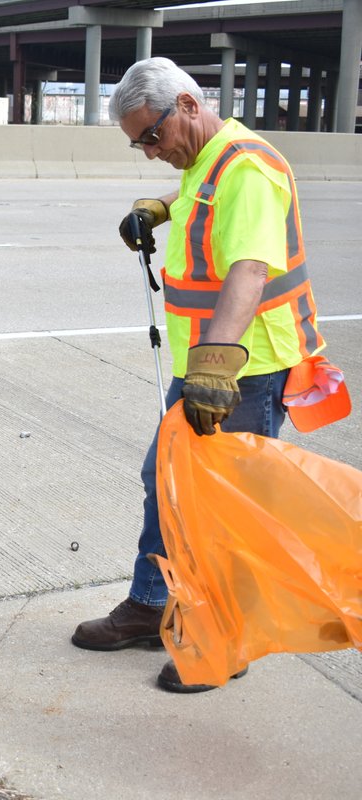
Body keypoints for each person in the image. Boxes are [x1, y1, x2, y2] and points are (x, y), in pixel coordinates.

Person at [70, 58, 327, 692]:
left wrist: (214, 368)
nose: (150, 151)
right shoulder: (207, 161)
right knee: (165, 480)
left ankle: (224, 638)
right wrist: (157, 208)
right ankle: (152, 602)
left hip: (244, 369)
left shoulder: (248, 168)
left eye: (152, 136)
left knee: (227, 508)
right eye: (138, 143)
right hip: (205, 366)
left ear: (188, 105)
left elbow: (249, 270)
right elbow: (197, 195)